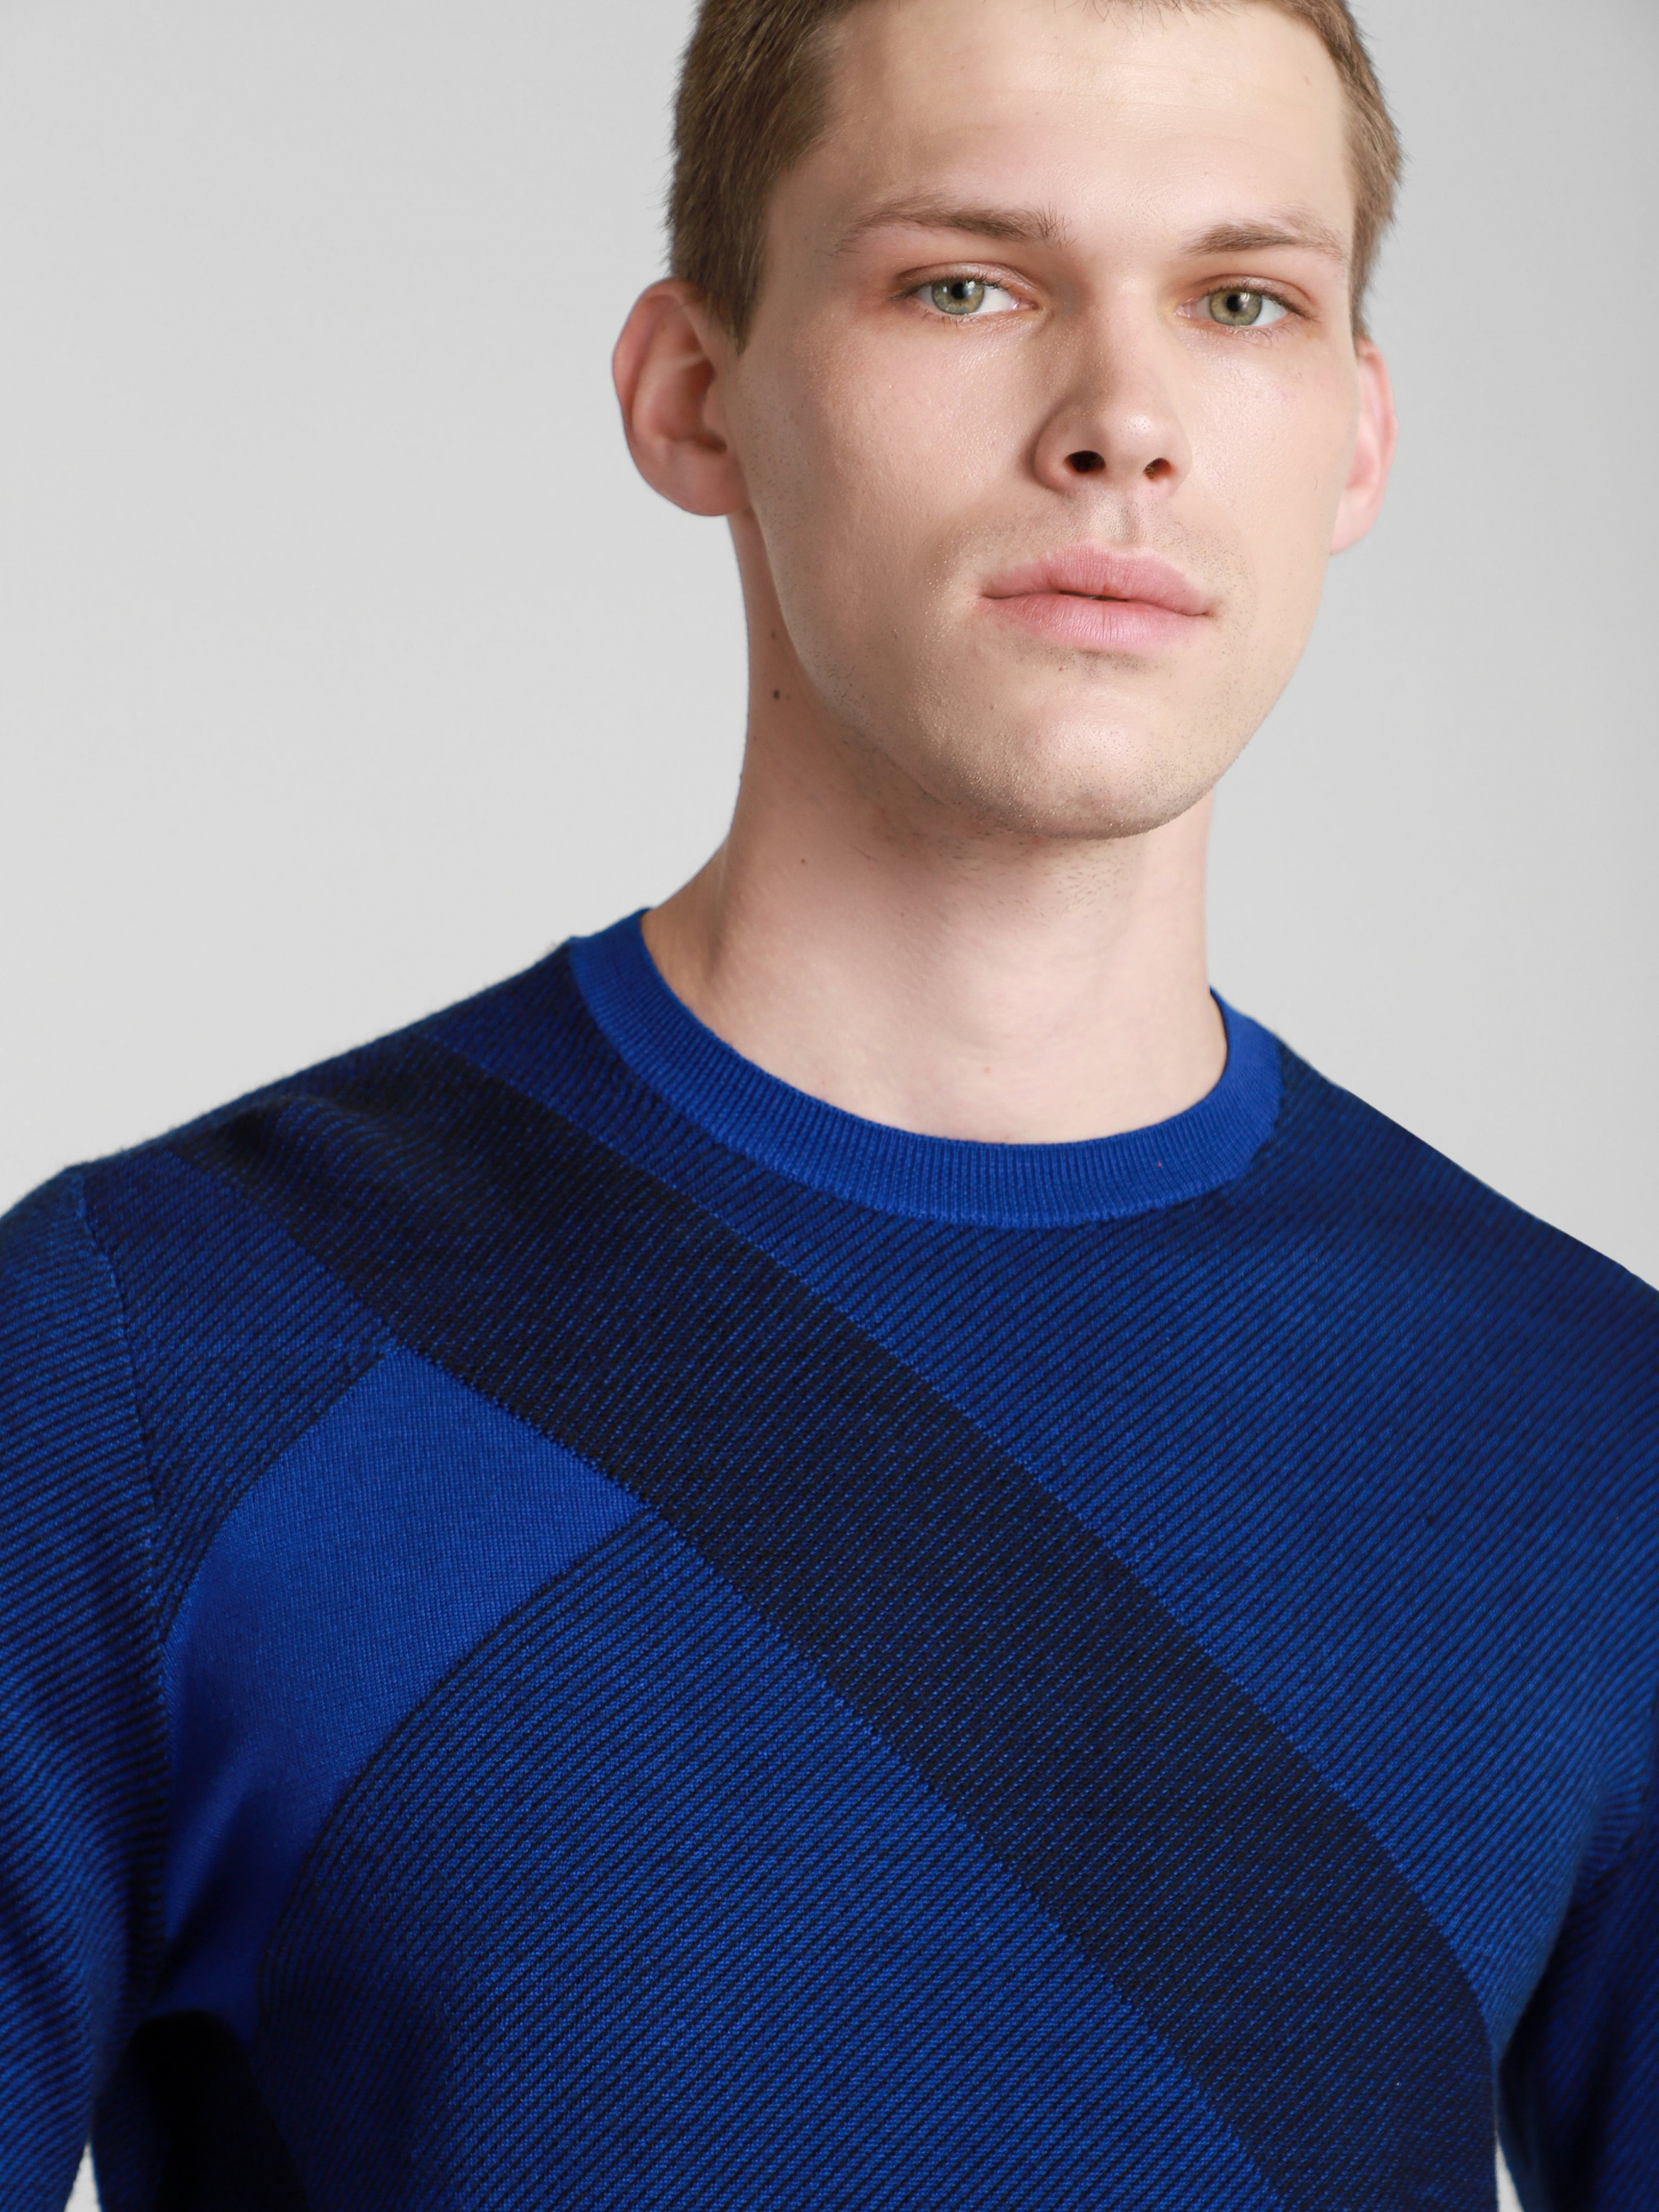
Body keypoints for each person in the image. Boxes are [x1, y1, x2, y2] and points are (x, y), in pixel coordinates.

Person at [2, 0, 1654, 2202]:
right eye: (964, 284)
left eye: (1240, 300)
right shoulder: (141, 1359)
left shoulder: (1598, 1440)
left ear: (1353, 441)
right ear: (693, 392)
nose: (1122, 422)